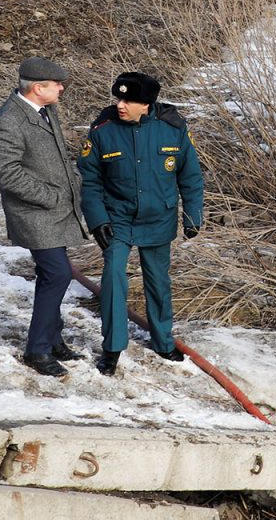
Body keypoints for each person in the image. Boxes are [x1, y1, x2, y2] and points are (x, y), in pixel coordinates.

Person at [78, 72, 204, 376]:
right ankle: (112, 348)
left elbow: (190, 176)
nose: (120, 105)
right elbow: (90, 181)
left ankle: (163, 341)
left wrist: (192, 215)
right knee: (113, 279)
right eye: (118, 98)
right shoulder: (102, 131)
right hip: (117, 219)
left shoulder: (173, 129)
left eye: (128, 100)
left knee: (159, 282)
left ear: (146, 104)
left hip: (158, 217)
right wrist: (97, 221)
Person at [0, 57, 89, 377]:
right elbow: (8, 174)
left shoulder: (45, 110)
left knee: (54, 275)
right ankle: (38, 350)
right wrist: (51, 196)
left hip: (56, 212)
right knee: (57, 275)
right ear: (37, 88)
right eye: (56, 84)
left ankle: (53, 338)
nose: (61, 88)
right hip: (34, 213)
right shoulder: (7, 121)